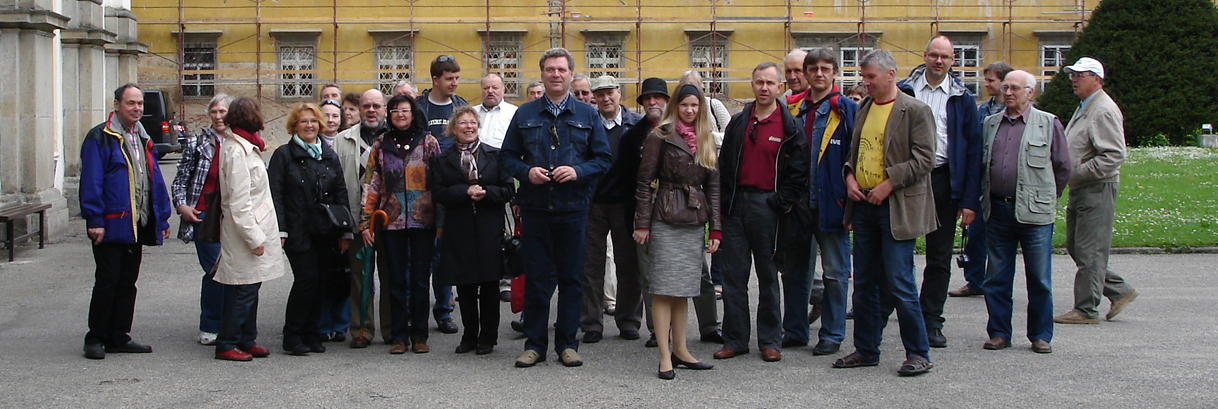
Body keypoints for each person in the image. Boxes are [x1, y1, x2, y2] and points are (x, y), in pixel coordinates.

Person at [500, 47, 612, 368]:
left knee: (572, 277)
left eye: (562, 69)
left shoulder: (587, 114)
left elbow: (603, 159)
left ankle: (567, 343)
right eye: (550, 69)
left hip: (574, 208)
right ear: (543, 74)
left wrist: (578, 171)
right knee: (536, 277)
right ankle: (534, 344)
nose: (556, 75)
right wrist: (526, 172)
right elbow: (507, 157)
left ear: (570, 74)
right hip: (536, 207)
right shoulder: (525, 114)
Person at [833, 49, 937, 377]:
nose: (865, 84)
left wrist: (889, 183)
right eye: (863, 78)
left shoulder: (915, 111)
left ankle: (918, 352)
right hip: (863, 206)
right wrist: (850, 176)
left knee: (899, 281)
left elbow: (925, 159)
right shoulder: (864, 107)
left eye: (871, 77)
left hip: (895, 209)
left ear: (891, 75)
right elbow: (854, 152)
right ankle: (866, 349)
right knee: (863, 282)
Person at [714, 62, 808, 363]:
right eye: (759, 82)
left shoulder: (789, 126)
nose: (764, 88)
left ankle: (770, 339)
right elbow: (725, 165)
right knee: (733, 278)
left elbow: (799, 172)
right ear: (752, 85)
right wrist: (724, 205)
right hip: (736, 207)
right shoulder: (740, 122)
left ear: (779, 87)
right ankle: (735, 339)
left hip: (768, 207)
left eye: (770, 83)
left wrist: (780, 202)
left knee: (768, 276)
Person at [891, 35, 982, 349]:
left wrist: (969, 200)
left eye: (945, 57)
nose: (939, 61)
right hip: (906, 179)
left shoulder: (962, 97)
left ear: (953, 60)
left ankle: (931, 321)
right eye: (934, 55)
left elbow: (973, 151)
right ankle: (887, 310)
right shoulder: (905, 90)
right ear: (925, 55)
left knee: (939, 257)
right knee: (895, 251)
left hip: (944, 180)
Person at [979, 70, 1071, 354]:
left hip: (1035, 214)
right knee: (996, 276)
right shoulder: (990, 123)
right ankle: (999, 333)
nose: (1008, 93)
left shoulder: (1047, 123)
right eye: (1005, 87)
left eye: (1015, 88)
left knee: (1039, 278)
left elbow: (1063, 167)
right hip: (998, 209)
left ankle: (1040, 335)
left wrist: (1046, 196)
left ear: (1030, 93)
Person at [633, 83, 721, 380]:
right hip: (666, 216)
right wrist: (643, 224)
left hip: (694, 219)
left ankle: (682, 350)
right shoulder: (660, 135)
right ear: (676, 106)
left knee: (684, 288)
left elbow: (714, 187)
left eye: (695, 105)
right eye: (684, 104)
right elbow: (644, 183)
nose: (690, 110)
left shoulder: (706, 137)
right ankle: (664, 355)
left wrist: (716, 230)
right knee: (663, 287)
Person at [79, 83, 173, 360]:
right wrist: (94, 219)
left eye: (140, 104)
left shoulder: (143, 137)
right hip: (111, 222)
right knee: (107, 280)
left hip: (138, 221)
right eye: (131, 103)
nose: (137, 108)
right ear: (117, 105)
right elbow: (92, 181)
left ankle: (119, 335)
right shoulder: (101, 137)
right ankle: (95, 337)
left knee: (128, 282)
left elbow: (154, 179)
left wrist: (162, 217)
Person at [1054, 57, 1139, 324]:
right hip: (1082, 187)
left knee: (1089, 249)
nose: (1074, 79)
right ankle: (1119, 290)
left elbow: (1114, 155)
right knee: (1077, 246)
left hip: (1096, 188)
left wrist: (1076, 169)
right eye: (1072, 74)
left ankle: (1086, 309)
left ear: (1097, 80)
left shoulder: (1102, 109)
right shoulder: (1086, 106)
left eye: (1081, 74)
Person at [784, 49, 858, 355]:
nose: (818, 74)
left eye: (825, 68)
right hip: (797, 204)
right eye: (812, 68)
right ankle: (795, 330)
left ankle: (832, 333)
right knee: (795, 271)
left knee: (835, 273)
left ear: (835, 72)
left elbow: (855, 156)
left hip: (832, 203)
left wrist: (853, 205)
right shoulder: (794, 109)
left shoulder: (846, 108)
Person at [429, 106, 516, 355]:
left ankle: (488, 337)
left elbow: (509, 189)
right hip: (459, 228)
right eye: (463, 123)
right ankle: (469, 336)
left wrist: (486, 193)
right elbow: (439, 193)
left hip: (489, 227)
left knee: (489, 284)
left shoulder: (495, 155)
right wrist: (464, 192)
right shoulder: (443, 159)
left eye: (472, 123)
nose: (468, 127)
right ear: (453, 129)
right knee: (465, 286)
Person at [268, 103, 352, 356]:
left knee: (322, 282)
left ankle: (312, 333)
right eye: (303, 121)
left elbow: (340, 193)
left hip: (325, 230)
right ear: (294, 126)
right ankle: (292, 335)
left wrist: (345, 231)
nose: (309, 126)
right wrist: (280, 230)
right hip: (297, 230)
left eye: (313, 121)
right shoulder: (283, 155)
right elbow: (276, 195)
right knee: (306, 280)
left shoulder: (328, 155)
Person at [361, 94, 441, 354]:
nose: (400, 115)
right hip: (390, 220)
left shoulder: (428, 142)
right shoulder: (381, 144)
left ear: (413, 112)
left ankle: (419, 335)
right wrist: (366, 221)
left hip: (423, 219)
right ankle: (398, 336)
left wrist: (441, 220)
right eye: (395, 111)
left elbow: (439, 183)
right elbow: (371, 184)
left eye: (405, 110)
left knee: (419, 280)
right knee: (395, 280)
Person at [212, 97, 286, 361]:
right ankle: (228, 342)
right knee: (243, 290)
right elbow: (238, 201)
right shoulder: (236, 150)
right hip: (246, 231)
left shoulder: (247, 145)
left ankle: (246, 338)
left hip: (256, 226)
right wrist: (254, 237)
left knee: (251, 287)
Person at [576, 75, 645, 345]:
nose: (605, 98)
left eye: (610, 93)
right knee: (590, 266)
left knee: (628, 265)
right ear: (594, 97)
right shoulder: (586, 124)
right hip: (592, 202)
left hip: (625, 203)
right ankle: (591, 323)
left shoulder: (636, 124)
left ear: (619, 94)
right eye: (600, 94)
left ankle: (629, 320)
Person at [171, 92, 233, 346]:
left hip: (231, 216)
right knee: (215, 270)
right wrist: (182, 206)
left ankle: (231, 325)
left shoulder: (240, 142)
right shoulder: (197, 142)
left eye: (223, 111)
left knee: (233, 271)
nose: (218, 117)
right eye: (214, 112)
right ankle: (210, 325)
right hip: (203, 215)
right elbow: (180, 180)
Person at [950, 60, 1014, 299]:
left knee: (999, 239)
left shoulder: (1010, 111)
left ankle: (996, 282)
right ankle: (975, 280)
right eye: (985, 80)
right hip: (980, 178)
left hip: (1001, 183)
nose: (986, 84)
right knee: (975, 234)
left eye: (991, 81)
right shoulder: (983, 109)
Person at [335, 89, 392, 348]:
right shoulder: (342, 140)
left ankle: (392, 329)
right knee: (359, 278)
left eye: (376, 106)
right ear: (359, 109)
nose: (371, 110)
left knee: (391, 276)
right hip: (356, 220)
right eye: (366, 105)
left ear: (384, 109)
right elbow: (336, 184)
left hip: (390, 221)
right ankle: (361, 330)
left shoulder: (395, 137)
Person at [415, 56, 466, 333]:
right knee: (423, 254)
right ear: (435, 80)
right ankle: (416, 310)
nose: (454, 83)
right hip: (422, 191)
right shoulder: (418, 107)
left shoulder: (461, 107)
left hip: (450, 190)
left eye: (456, 78)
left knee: (445, 253)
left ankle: (444, 310)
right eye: (449, 78)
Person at [316, 98, 352, 343]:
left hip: (340, 217)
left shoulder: (345, 142)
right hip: (318, 220)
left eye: (335, 116)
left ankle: (341, 323)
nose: (330, 120)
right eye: (325, 115)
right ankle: (323, 323)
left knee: (343, 275)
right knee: (322, 275)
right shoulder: (311, 145)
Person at [473, 73, 518, 149]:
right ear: (481, 90)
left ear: (503, 90)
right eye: (486, 88)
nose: (490, 91)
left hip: (501, 159)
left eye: (495, 88)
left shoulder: (514, 113)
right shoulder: (472, 113)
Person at [782, 49, 811, 116]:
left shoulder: (818, 99)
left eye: (797, 71)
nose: (792, 77)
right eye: (788, 71)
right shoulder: (784, 100)